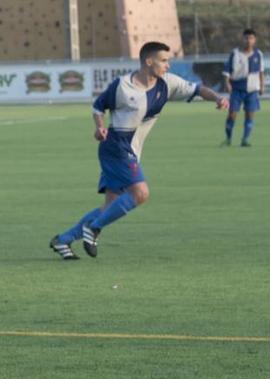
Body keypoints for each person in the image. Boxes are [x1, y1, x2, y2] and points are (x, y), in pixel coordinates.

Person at [50, 41, 228, 260]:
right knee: (140, 193)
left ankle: (63, 240)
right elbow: (98, 107)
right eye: (164, 61)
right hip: (116, 147)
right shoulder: (122, 86)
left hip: (130, 150)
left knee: (111, 205)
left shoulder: (167, 83)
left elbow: (197, 89)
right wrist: (99, 128)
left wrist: (218, 98)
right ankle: (93, 229)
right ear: (148, 61)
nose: (168, 66)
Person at [222, 28, 264, 147]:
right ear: (242, 39)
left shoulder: (258, 54)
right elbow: (226, 71)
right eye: (246, 38)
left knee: (249, 114)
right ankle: (228, 138)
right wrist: (227, 83)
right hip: (237, 88)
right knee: (232, 114)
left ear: (254, 40)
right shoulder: (235, 53)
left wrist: (262, 86)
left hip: (252, 89)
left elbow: (261, 72)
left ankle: (245, 140)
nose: (248, 40)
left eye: (251, 38)